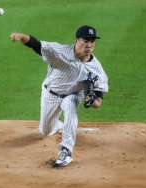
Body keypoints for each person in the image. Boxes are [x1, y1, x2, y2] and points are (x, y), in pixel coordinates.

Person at [10, 25, 109, 167]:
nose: (89, 45)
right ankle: (58, 125)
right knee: (46, 130)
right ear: (76, 40)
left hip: (73, 95)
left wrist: (91, 100)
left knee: (70, 107)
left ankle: (66, 151)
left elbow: (98, 102)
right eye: (85, 41)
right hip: (50, 93)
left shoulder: (97, 70)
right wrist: (21, 36)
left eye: (92, 41)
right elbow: (35, 44)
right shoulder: (60, 52)